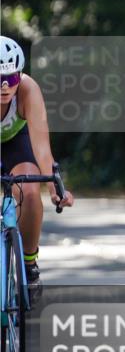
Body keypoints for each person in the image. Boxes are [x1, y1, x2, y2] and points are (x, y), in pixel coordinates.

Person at [0, 36, 75, 301]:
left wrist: (55, 187)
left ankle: (29, 265)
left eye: (12, 77)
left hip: (16, 143)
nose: (5, 86)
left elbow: (42, 148)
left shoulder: (28, 90)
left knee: (30, 192)